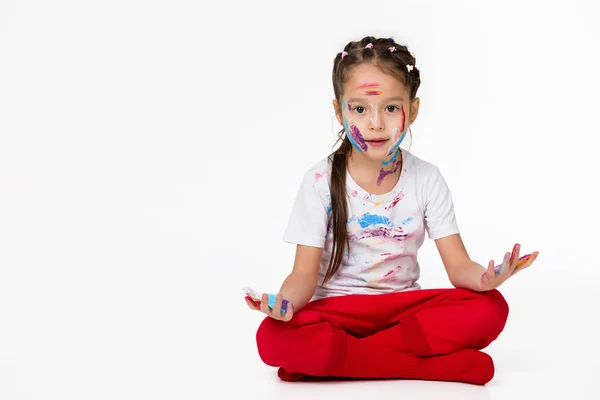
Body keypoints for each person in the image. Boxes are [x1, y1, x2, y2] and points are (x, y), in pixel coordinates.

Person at [245, 35, 539, 385]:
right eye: (359, 109)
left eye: (390, 108)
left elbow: (458, 266)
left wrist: (486, 279)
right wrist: (286, 303)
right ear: (339, 110)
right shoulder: (320, 180)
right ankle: (423, 366)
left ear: (412, 111)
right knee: (271, 336)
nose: (375, 123)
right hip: (336, 313)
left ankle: (339, 359)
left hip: (404, 312)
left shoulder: (426, 179)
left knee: (490, 308)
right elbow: (304, 274)